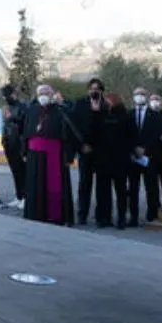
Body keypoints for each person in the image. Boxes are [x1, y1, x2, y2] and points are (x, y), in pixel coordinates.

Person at [23, 84, 78, 226]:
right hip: (34, 155)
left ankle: (56, 216)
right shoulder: (32, 110)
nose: (44, 95)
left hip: (54, 154)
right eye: (41, 93)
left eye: (47, 93)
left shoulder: (60, 110)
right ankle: (36, 214)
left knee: (55, 185)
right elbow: (26, 133)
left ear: (52, 94)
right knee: (36, 185)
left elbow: (69, 132)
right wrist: (24, 152)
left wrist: (69, 155)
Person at [91, 93, 135, 229]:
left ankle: (121, 218)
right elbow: (93, 135)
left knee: (121, 191)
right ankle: (104, 218)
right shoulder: (100, 117)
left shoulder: (125, 117)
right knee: (103, 191)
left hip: (120, 160)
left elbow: (132, 137)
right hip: (103, 160)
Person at [128, 86, 162, 225]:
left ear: (146, 96)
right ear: (133, 97)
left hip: (149, 156)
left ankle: (152, 213)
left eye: (142, 94)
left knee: (151, 187)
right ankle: (133, 216)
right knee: (133, 188)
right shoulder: (129, 114)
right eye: (137, 94)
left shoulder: (154, 116)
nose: (140, 97)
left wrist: (145, 149)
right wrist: (134, 149)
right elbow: (126, 134)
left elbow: (156, 135)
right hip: (133, 157)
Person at [74, 79, 104, 224]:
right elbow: (74, 127)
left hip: (102, 152)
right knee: (84, 184)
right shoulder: (80, 104)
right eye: (92, 88)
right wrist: (81, 146)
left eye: (97, 89)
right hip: (85, 151)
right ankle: (82, 215)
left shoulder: (107, 105)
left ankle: (101, 217)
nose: (94, 91)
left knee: (102, 186)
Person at [0, 85, 27, 209]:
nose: (6, 98)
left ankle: (26, 197)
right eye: (4, 96)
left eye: (7, 95)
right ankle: (19, 196)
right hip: (8, 143)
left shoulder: (22, 107)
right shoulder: (6, 107)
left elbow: (23, 124)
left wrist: (12, 118)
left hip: (18, 143)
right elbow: (5, 125)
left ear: (13, 94)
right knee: (15, 171)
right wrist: (3, 139)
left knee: (22, 171)